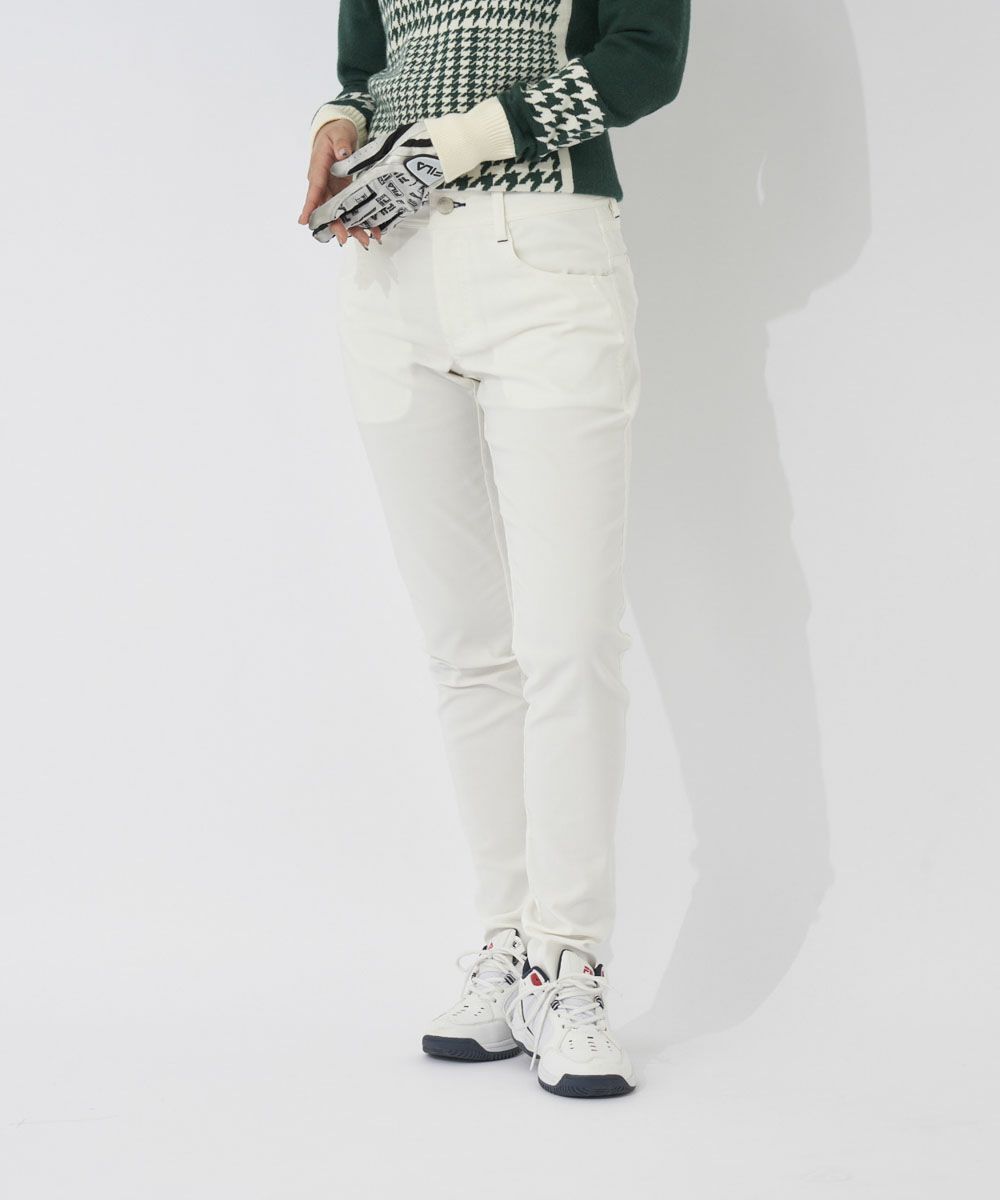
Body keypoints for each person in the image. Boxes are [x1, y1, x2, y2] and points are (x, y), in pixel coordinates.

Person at [298, 0, 689, 1099]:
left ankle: (569, 962)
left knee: (568, 642)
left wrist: (455, 141)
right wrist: (339, 126)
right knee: (466, 646)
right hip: (390, 274)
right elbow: (367, 64)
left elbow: (645, 62)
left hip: (546, 260)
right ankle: (507, 942)